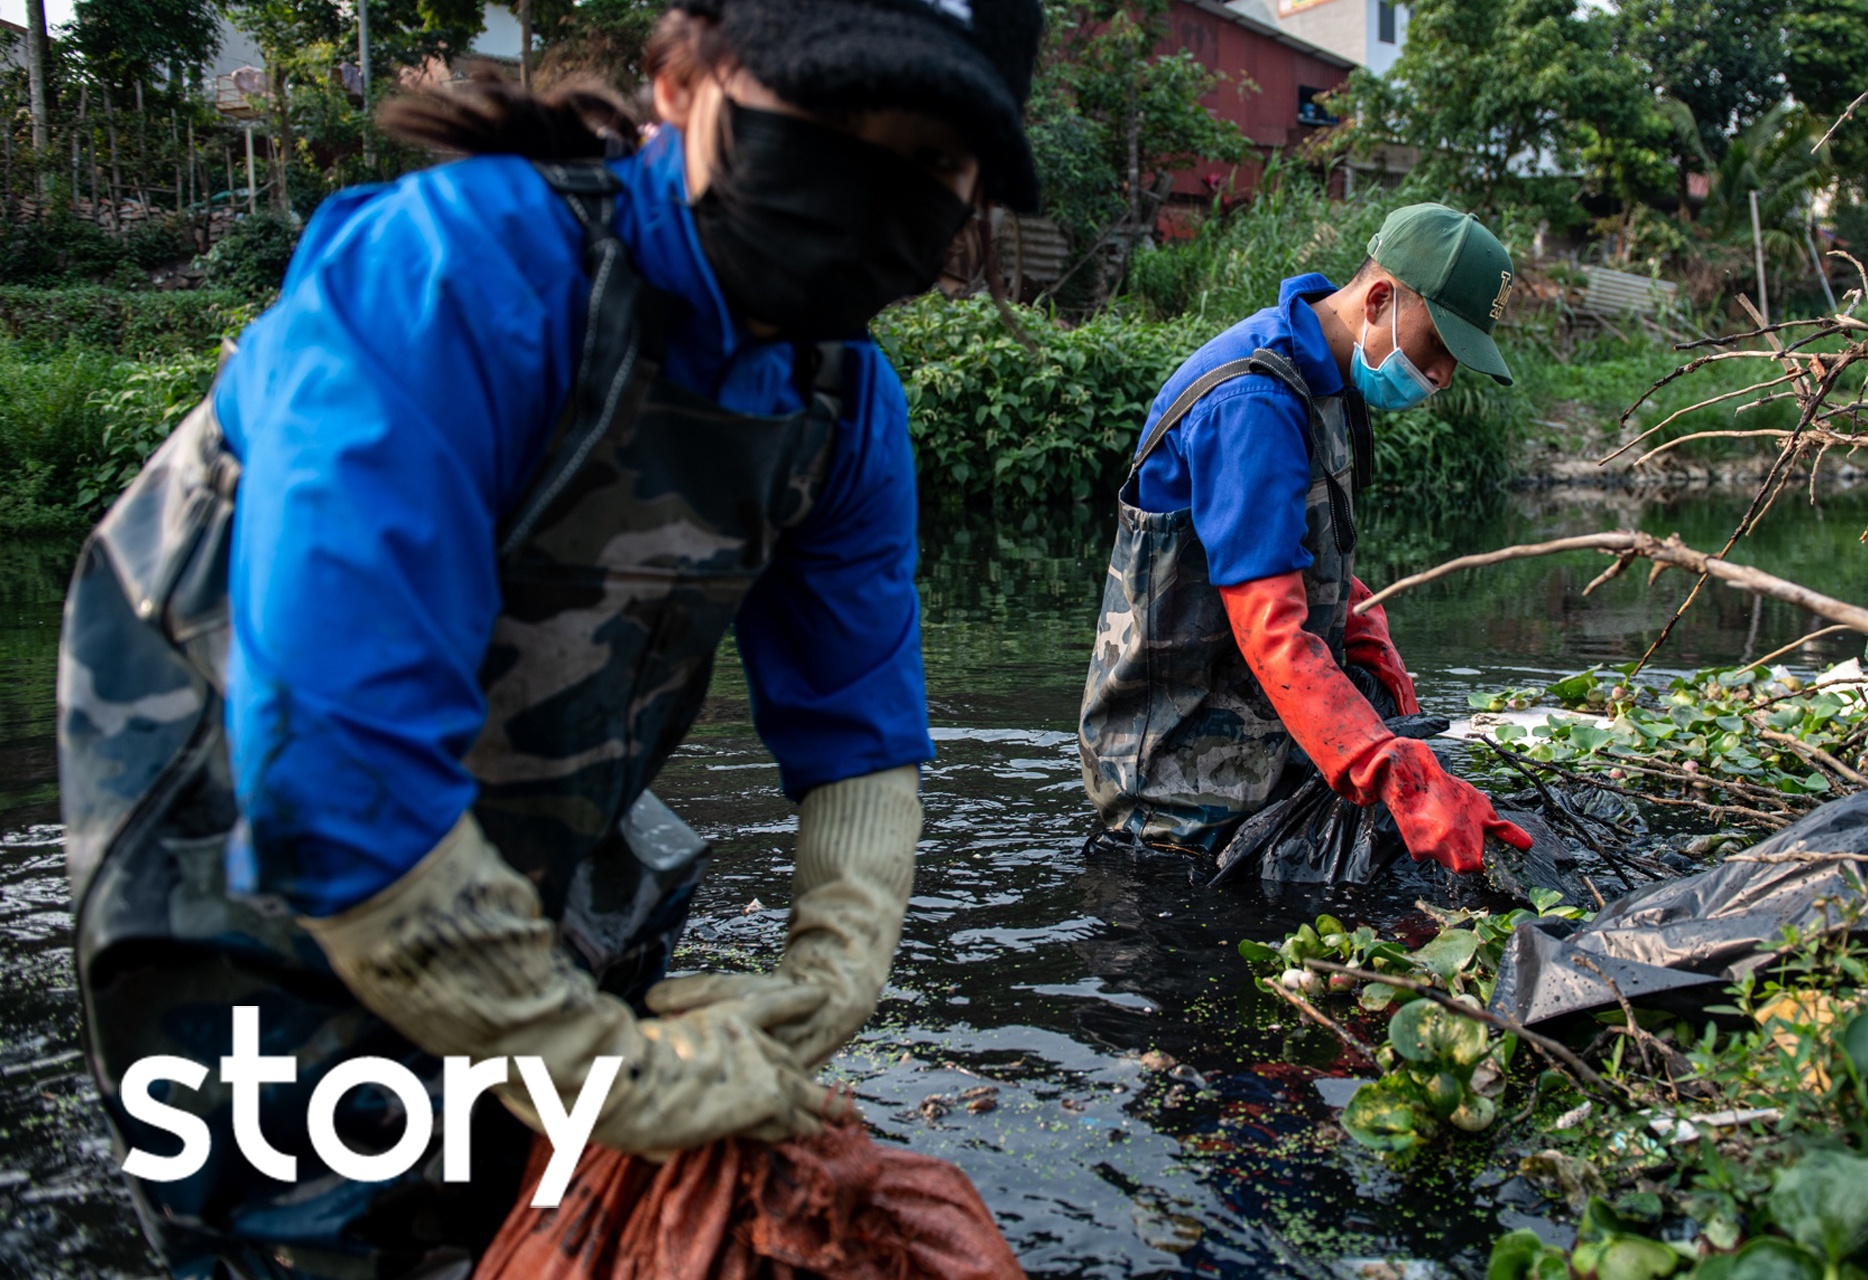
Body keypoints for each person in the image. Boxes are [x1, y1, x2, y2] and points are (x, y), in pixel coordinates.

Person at [56, 1, 1042, 1275]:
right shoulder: (457, 274)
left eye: (927, 163)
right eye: (833, 120)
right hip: (242, 799)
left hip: (534, 791)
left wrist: (834, 965)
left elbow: (856, 717)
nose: (868, 186)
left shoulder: (842, 407)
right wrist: (600, 1067)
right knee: (308, 1210)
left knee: (517, 1197)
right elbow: (336, 770)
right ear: (682, 77)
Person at [1079, 203, 1533, 874]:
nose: (1441, 376)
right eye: (1440, 347)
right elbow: (1270, 630)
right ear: (1380, 299)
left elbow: (1284, 550)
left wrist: (1361, 618)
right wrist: (1395, 773)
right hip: (1182, 778)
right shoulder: (1254, 402)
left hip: (1259, 721)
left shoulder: (1318, 375)